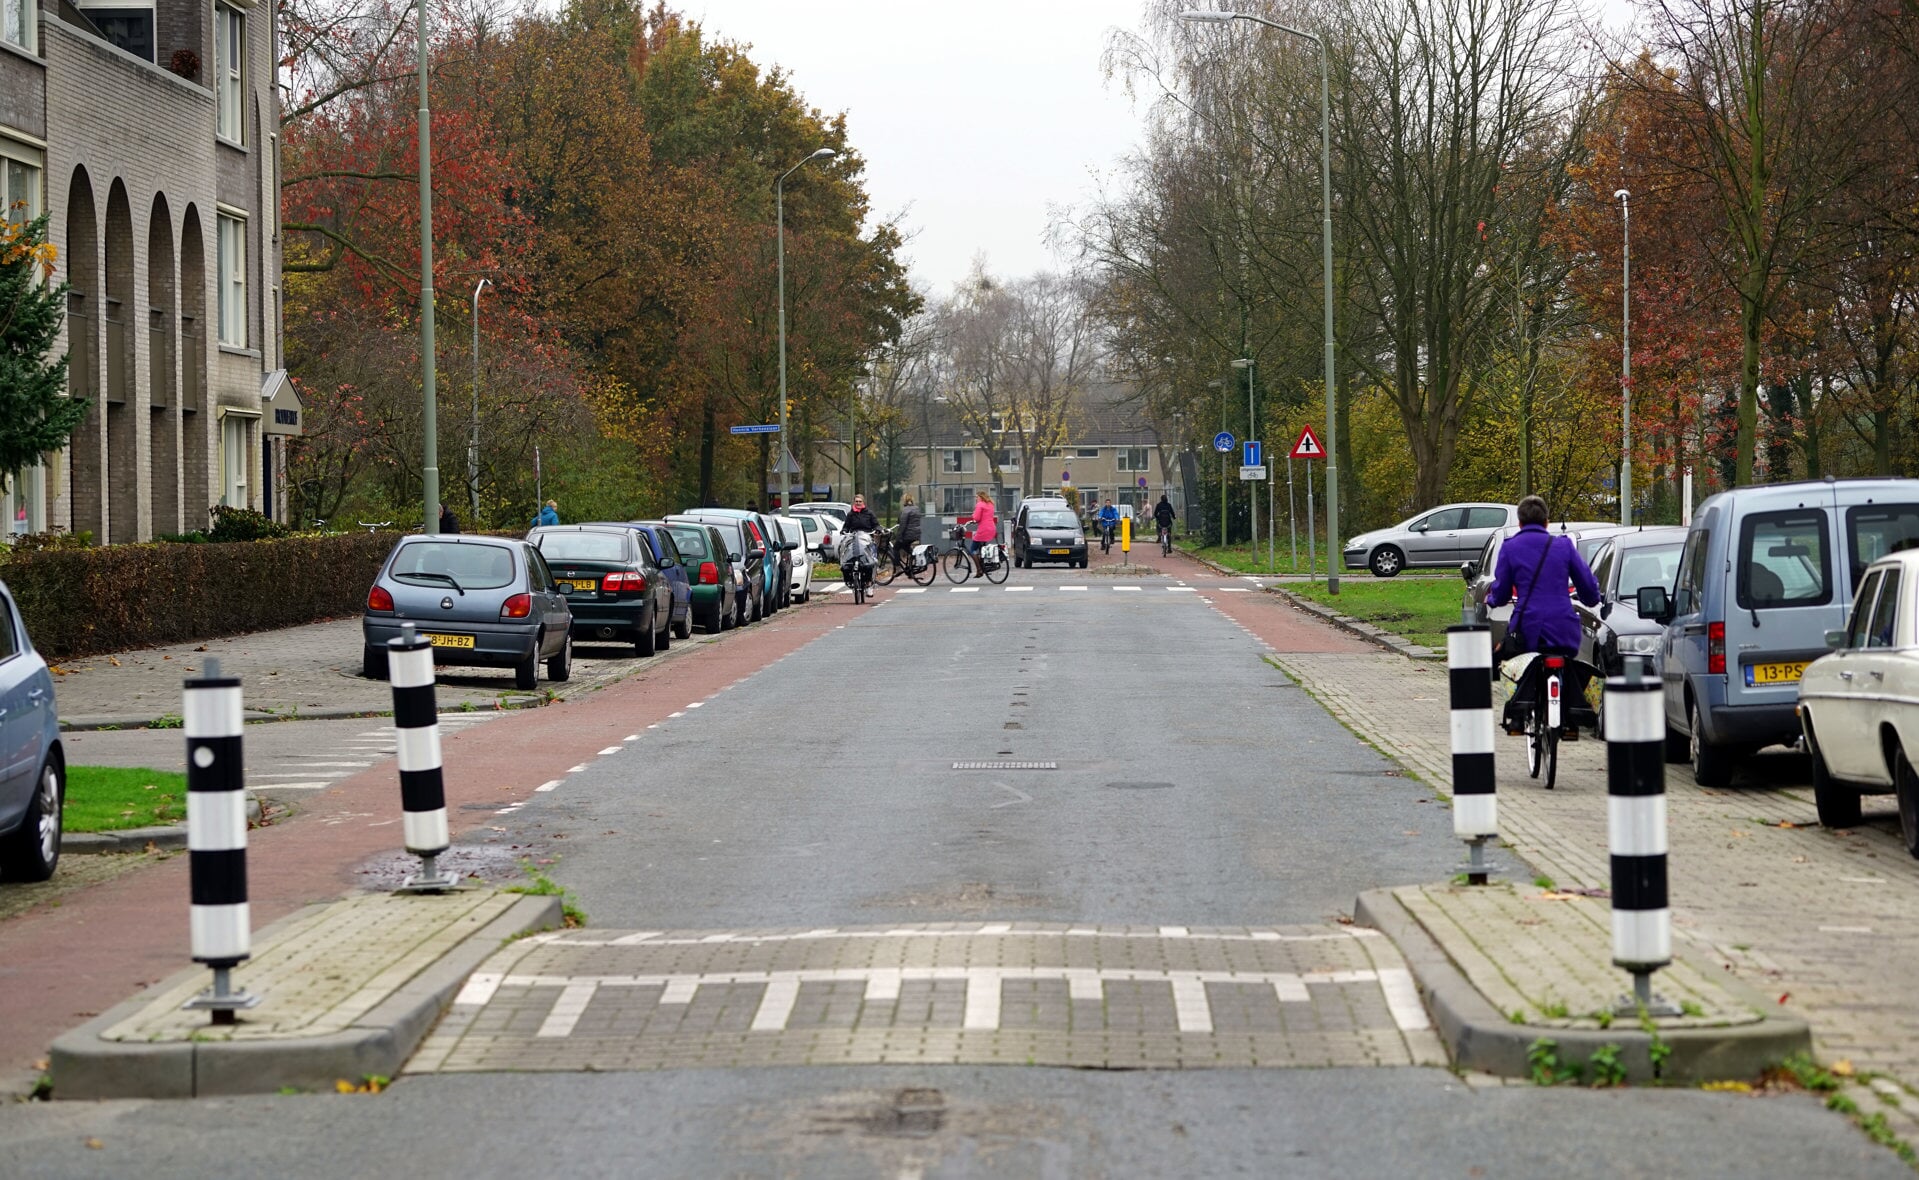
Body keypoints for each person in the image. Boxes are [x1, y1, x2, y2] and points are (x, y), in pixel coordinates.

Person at [1488, 495, 1601, 736]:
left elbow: (1501, 591)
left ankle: (1517, 717)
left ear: (1519, 523)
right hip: (1564, 626)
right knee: (1567, 662)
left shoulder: (1510, 548)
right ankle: (1571, 720)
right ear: (1547, 522)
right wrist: (1592, 598)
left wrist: (1492, 599)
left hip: (1528, 627)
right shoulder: (1563, 546)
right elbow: (1588, 588)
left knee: (1513, 663)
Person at [959, 488, 998, 575]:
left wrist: (973, 516)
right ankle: (983, 565)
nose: (976, 499)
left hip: (983, 530)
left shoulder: (980, 504)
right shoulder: (990, 504)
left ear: (980, 497)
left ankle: (979, 570)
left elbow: (976, 518)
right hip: (991, 528)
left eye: (977, 497)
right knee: (982, 548)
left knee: (973, 549)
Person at [895, 495, 923, 567]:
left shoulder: (905, 510)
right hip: (916, 534)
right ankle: (915, 556)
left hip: (908, 535)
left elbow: (902, 525)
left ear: (904, 501)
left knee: (896, 548)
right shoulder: (916, 508)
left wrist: (898, 536)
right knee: (906, 546)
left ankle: (898, 567)